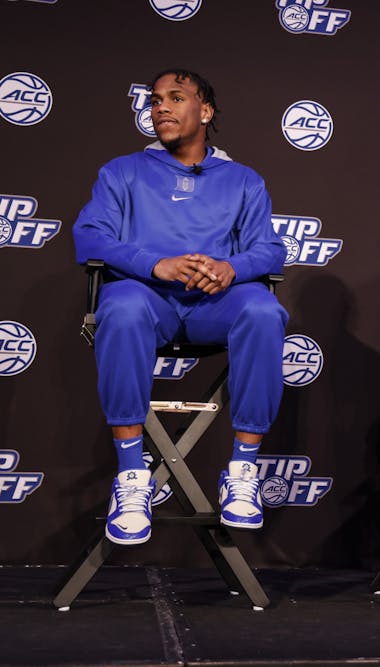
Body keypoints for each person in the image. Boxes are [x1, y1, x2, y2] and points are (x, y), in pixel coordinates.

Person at [73, 68, 288, 546]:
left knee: (264, 311)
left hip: (216, 304)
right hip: (148, 300)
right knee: (122, 306)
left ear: (205, 111)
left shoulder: (243, 180)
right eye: (154, 101)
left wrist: (231, 268)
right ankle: (132, 477)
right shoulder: (122, 171)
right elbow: (88, 237)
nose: (161, 108)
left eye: (175, 98)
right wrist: (157, 265)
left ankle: (243, 472)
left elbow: (271, 251)